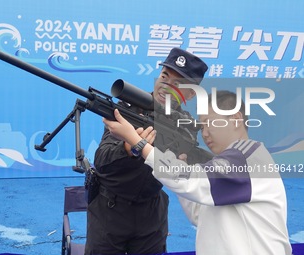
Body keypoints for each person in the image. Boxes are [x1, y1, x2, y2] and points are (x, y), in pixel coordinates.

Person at [103, 90, 292, 255]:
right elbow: (201, 214)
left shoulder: (246, 157)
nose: (205, 133)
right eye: (202, 126)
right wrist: (178, 165)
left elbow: (190, 181)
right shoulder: (235, 160)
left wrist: (138, 143)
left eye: (210, 122)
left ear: (235, 119)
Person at [84, 48, 212, 255]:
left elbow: (186, 164)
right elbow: (102, 159)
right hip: (110, 210)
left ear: (190, 94)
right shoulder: (128, 109)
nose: (166, 85)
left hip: (151, 213)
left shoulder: (186, 125)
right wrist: (129, 147)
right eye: (164, 76)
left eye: (178, 83)